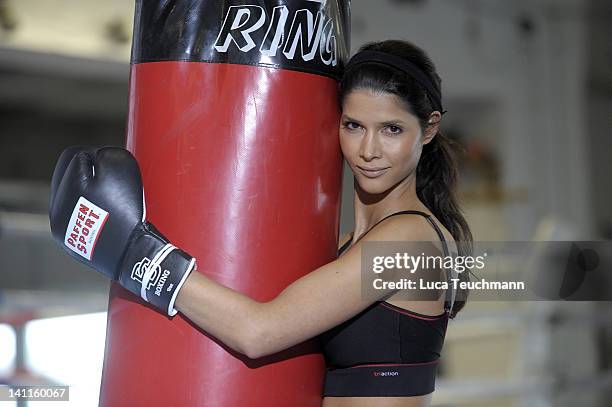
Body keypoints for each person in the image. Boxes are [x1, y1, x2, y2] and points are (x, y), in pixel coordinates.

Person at [49, 39, 473, 406]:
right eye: (353, 125)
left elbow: (259, 332)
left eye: (392, 129)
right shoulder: (348, 245)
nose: (368, 149)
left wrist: (134, 252)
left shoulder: (409, 241)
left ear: (429, 128)